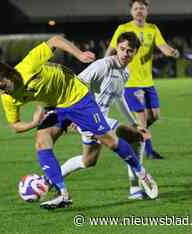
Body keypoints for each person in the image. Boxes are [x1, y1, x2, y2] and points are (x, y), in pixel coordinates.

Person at [0, 35, 158, 210]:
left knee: (110, 142)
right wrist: (33, 123)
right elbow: (15, 125)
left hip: (77, 97)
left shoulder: (28, 64)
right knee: (42, 141)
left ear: (10, 75)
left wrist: (79, 54)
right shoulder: (8, 98)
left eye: (2, 87)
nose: (2, 93)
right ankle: (62, 194)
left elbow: (54, 41)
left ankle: (141, 173)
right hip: (56, 106)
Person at [59, 32, 151, 200]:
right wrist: (70, 116)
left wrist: (134, 122)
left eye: (129, 51)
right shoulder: (102, 66)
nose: (125, 53)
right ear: (116, 47)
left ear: (135, 52)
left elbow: (119, 97)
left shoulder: (125, 73)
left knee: (88, 161)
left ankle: (49, 179)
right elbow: (75, 85)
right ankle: (136, 189)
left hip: (99, 122)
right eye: (122, 49)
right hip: (88, 118)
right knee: (137, 138)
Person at [105, 0, 180, 159]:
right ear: (131, 11)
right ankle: (148, 151)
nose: (139, 11)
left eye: (142, 8)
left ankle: (131, 132)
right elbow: (111, 49)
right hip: (130, 83)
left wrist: (171, 52)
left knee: (154, 116)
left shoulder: (152, 29)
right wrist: (105, 68)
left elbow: (163, 46)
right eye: (136, 8)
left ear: (147, 11)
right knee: (141, 117)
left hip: (148, 82)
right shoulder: (123, 29)